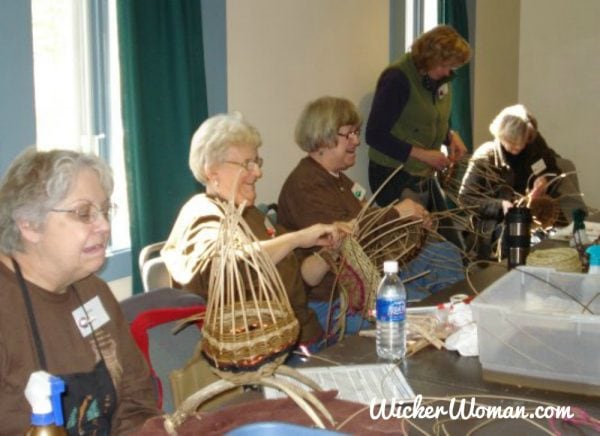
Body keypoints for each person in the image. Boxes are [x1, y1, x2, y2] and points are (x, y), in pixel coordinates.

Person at [0, 147, 160, 434]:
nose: (105, 226)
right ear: (28, 224)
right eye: (84, 213)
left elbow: (136, 399)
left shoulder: (93, 291)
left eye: (105, 210)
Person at [161, 112, 346, 351]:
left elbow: (298, 279)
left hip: (305, 337)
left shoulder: (251, 214)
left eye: (257, 162)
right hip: (260, 354)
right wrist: (297, 238)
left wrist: (328, 253)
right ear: (211, 171)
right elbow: (226, 269)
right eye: (246, 164)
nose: (257, 173)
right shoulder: (202, 214)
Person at [278, 96, 465, 314]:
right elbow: (342, 237)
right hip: (339, 291)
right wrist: (396, 213)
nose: (356, 141)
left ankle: (457, 322)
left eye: (357, 133)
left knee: (444, 253)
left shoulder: (340, 180)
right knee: (423, 304)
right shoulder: (305, 185)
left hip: (372, 270)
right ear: (322, 137)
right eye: (349, 134)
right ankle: (450, 323)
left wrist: (412, 225)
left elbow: (369, 225)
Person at [366, 25, 471, 246]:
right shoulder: (397, 78)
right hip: (392, 175)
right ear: (428, 57)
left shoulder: (441, 79)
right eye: (444, 65)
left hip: (421, 175)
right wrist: (423, 155)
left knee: (451, 243)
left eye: (451, 67)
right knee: (418, 244)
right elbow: (374, 135)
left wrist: (450, 136)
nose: (447, 72)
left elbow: (432, 118)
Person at [458, 104, 587, 259]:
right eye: (511, 145)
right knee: (522, 245)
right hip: (498, 222)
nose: (518, 148)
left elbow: (552, 167)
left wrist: (544, 180)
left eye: (522, 143)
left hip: (535, 213)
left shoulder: (534, 143)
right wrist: (500, 205)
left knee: (560, 242)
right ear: (500, 135)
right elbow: (465, 198)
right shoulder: (485, 156)